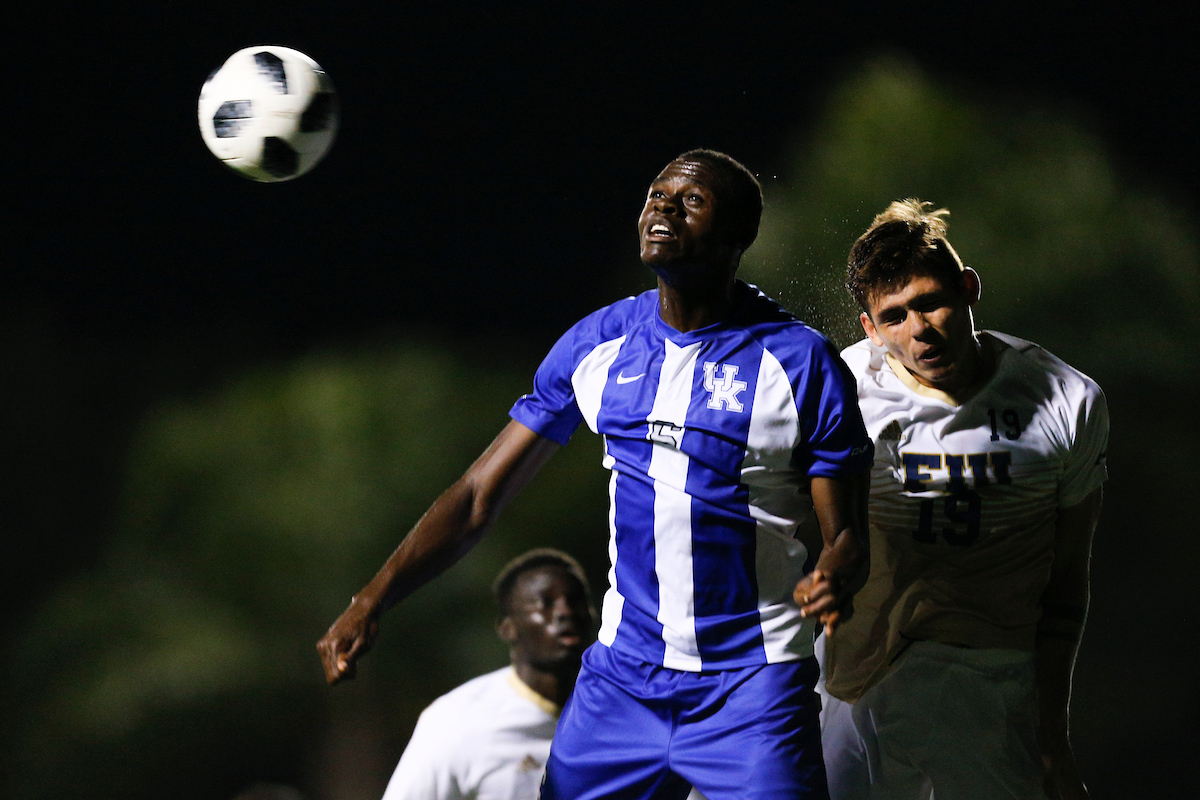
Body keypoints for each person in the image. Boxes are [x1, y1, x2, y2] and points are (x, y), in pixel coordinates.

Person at [318, 149, 874, 800]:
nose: (663, 207)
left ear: (738, 235)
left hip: (750, 688)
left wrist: (835, 573)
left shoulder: (801, 362)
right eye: (656, 195)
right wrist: (371, 598)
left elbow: (849, 540)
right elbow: (476, 498)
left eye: (691, 200)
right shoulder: (599, 343)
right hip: (622, 685)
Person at [818, 199, 1108, 800]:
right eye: (894, 316)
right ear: (869, 330)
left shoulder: (1066, 400)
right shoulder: (839, 395)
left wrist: (1052, 738)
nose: (919, 329)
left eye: (930, 301)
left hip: (993, 691)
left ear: (969, 288)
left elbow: (1066, 587)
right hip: (859, 685)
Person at [380, 548, 594, 800]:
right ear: (508, 629)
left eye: (576, 601)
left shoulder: (620, 712)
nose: (565, 612)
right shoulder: (456, 721)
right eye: (544, 603)